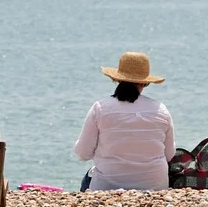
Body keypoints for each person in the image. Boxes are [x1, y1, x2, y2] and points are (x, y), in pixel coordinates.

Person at [74, 52, 175, 191]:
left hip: (107, 187)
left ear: (117, 79)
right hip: (155, 187)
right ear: (144, 83)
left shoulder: (100, 108)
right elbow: (169, 155)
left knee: (88, 178)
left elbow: (82, 153)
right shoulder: (161, 110)